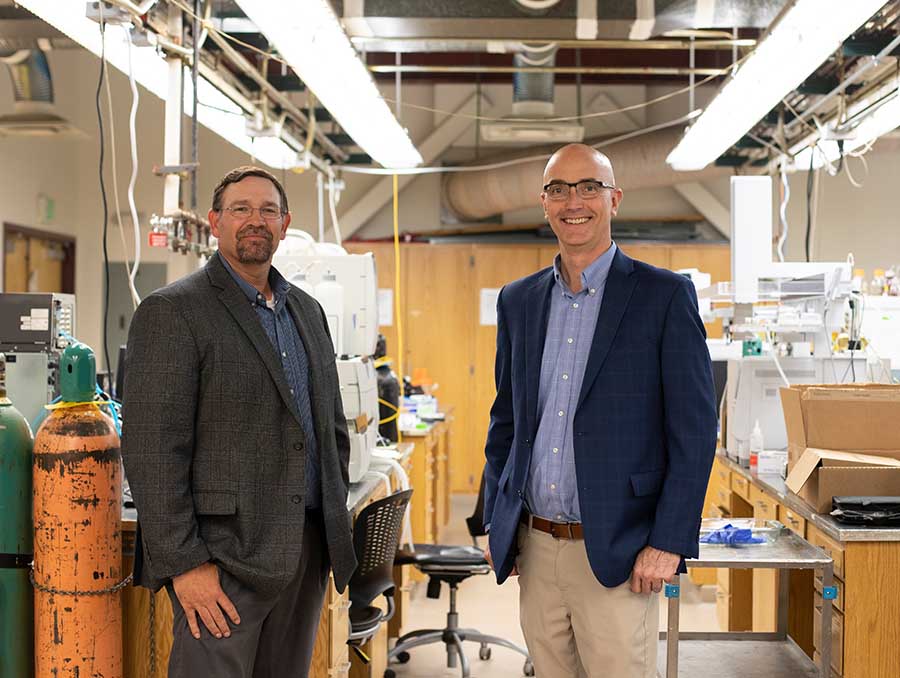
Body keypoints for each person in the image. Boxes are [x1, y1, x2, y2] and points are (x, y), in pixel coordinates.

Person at [482, 144, 717, 678]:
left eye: (589, 187)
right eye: (559, 189)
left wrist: (667, 542)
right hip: (537, 548)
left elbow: (695, 433)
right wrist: (499, 523)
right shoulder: (518, 301)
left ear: (614, 199)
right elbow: (506, 424)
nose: (574, 201)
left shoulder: (663, 296)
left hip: (619, 549)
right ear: (544, 203)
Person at [121, 166, 356, 677]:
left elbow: (328, 427)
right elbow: (153, 451)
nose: (256, 220)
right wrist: (185, 565)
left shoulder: (306, 312)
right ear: (214, 222)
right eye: (241, 209)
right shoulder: (174, 312)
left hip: (304, 550)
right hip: (223, 561)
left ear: (285, 223)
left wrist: (329, 520)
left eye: (268, 210)